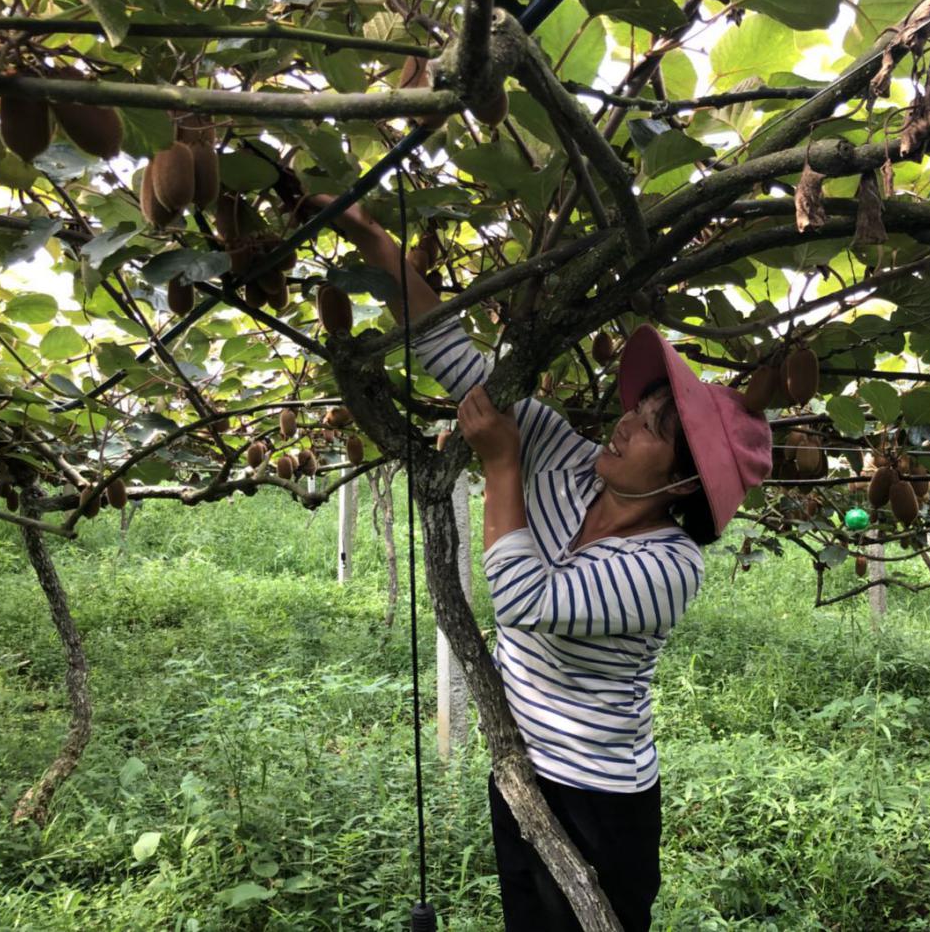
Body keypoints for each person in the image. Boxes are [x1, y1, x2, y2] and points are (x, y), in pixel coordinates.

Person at [313, 197, 772, 930]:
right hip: (520, 769)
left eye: (651, 428)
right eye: (637, 409)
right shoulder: (564, 462)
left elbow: (522, 597)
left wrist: (500, 465)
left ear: (682, 482)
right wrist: (379, 245)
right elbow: (458, 362)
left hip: (598, 801)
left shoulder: (667, 566)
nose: (623, 423)